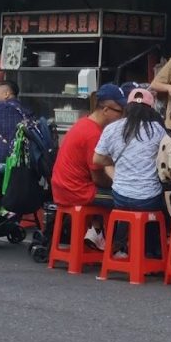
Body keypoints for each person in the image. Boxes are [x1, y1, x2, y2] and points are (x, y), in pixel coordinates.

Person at [93, 88, 168, 255]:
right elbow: (165, 158)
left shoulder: (112, 128)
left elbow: (97, 160)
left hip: (120, 197)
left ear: (128, 107)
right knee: (158, 207)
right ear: (151, 108)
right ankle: (151, 255)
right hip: (148, 199)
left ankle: (119, 245)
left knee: (128, 207)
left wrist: (115, 161)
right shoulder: (157, 129)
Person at [51, 84, 126, 249]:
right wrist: (120, 184)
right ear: (106, 110)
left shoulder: (84, 123)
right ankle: (118, 246)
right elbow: (98, 178)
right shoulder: (93, 134)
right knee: (127, 200)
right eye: (120, 112)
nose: (122, 117)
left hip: (64, 187)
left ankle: (96, 230)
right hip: (78, 191)